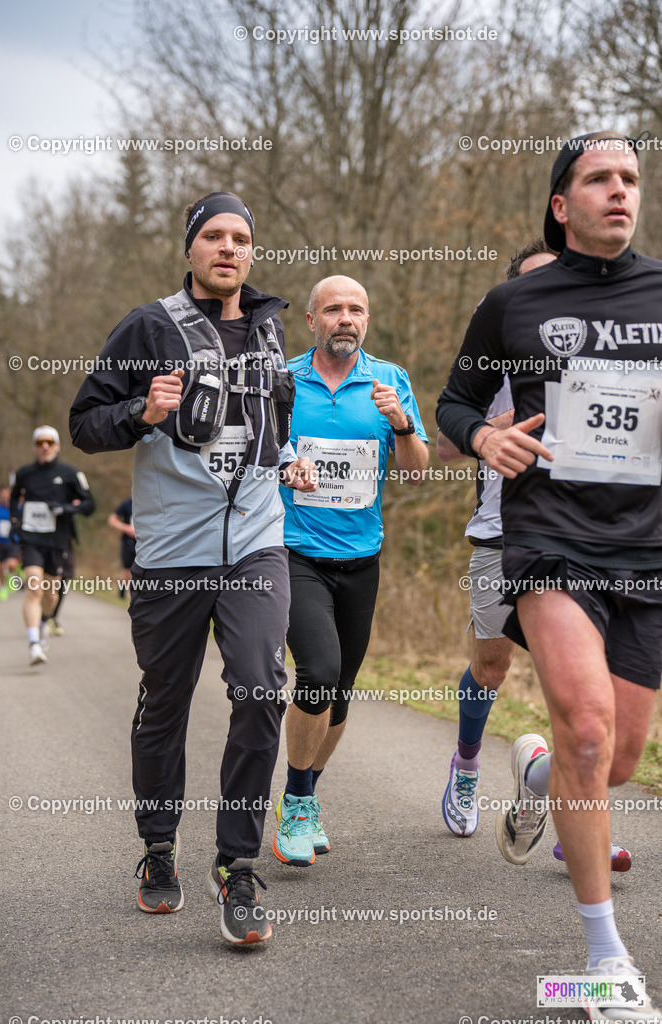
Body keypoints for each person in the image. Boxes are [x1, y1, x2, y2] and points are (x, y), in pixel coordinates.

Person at [437, 132, 661, 1020]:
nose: (620, 191)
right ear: (561, 205)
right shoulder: (513, 303)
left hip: (646, 550)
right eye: (599, 179)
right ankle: (602, 965)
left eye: (631, 179)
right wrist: (482, 436)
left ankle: (532, 776)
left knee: (619, 759)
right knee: (586, 732)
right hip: (548, 539)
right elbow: (456, 398)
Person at [70, 190, 316, 947]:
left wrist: (292, 462)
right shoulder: (148, 326)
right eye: (213, 236)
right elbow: (85, 423)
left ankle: (238, 864)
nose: (228, 249)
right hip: (172, 552)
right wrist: (140, 414)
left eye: (240, 238)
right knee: (165, 700)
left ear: (251, 252)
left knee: (260, 684)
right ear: (190, 249)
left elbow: (270, 430)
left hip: (255, 543)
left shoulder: (271, 330)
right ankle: (156, 848)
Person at [438, 239, 632, 873]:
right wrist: (485, 435)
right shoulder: (493, 354)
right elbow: (445, 442)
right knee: (491, 668)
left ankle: (563, 800)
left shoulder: (610, 355)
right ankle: (468, 765)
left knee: (586, 693)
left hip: (590, 540)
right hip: (503, 533)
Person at [272, 275, 428, 867]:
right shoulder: (284, 380)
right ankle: (295, 799)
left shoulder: (391, 381)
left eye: (356, 309)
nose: (345, 318)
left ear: (367, 319)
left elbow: (415, 471)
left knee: (338, 696)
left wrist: (403, 426)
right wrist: (286, 472)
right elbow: (258, 456)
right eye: (333, 308)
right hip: (294, 551)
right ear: (311, 319)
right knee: (318, 669)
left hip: (362, 559)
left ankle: (305, 798)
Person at [10, 427, 95, 665]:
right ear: (35, 446)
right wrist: (14, 522)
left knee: (50, 595)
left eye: (49, 442)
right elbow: (15, 497)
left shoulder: (70, 473)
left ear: (57, 445)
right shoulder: (25, 473)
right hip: (31, 539)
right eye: (40, 442)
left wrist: (67, 509)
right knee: (34, 589)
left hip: (57, 541)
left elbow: (90, 504)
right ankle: (34, 643)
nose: (44, 446)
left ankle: (46, 620)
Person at [0, 485, 21, 600]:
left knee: (12, 564)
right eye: (3, 494)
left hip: (12, 541)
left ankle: (10, 577)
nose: (5, 496)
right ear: (0, 494)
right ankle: (3, 587)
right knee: (0, 567)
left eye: (7, 494)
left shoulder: (16, 508)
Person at [107, 496, 136, 598]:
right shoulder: (127, 503)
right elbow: (112, 520)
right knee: (126, 570)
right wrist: (127, 528)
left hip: (144, 543)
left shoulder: (150, 504)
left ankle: (136, 594)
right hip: (128, 541)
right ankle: (122, 593)